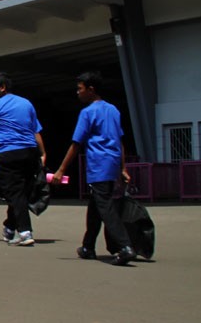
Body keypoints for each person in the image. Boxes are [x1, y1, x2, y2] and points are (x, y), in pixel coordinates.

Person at [51, 71, 136, 266]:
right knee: (96, 204)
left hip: (99, 164)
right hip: (112, 162)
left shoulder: (87, 112)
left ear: (91, 90)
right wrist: (122, 167)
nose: (77, 93)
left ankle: (125, 246)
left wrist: (61, 169)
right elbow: (120, 141)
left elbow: (76, 143)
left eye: (80, 89)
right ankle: (88, 246)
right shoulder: (113, 110)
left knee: (104, 205)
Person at [0, 72, 46, 246]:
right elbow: (35, 130)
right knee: (20, 193)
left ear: (2, 87)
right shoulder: (26, 103)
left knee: (15, 193)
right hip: (30, 151)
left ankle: (24, 232)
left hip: (9, 153)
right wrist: (43, 153)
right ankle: (9, 228)